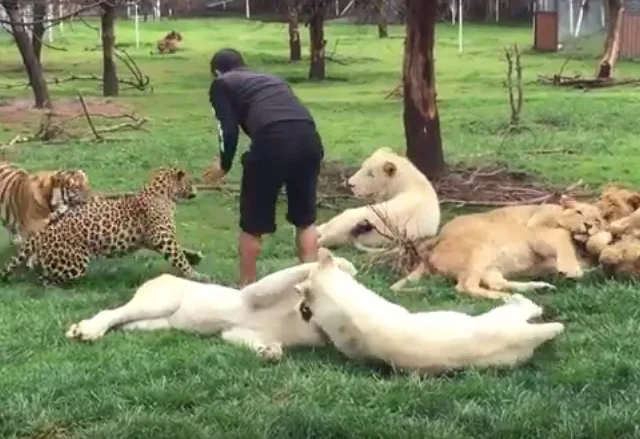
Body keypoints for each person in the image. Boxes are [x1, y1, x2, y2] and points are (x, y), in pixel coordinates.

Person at [204, 48, 324, 287]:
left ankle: (247, 287)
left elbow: (227, 128)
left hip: (272, 141)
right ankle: (312, 285)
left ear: (217, 72)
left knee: (252, 224)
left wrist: (224, 164)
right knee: (305, 220)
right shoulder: (273, 79)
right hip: (309, 139)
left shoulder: (222, 84)